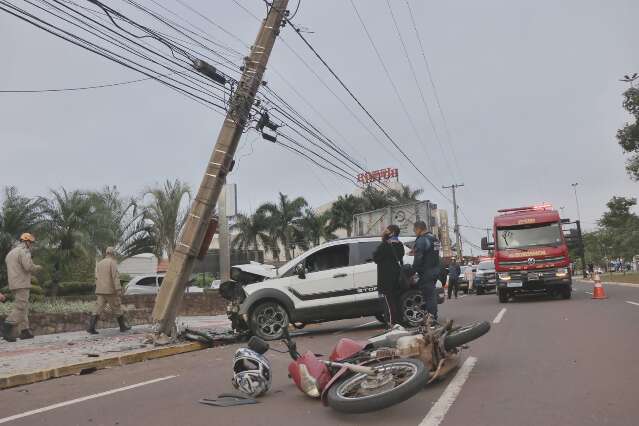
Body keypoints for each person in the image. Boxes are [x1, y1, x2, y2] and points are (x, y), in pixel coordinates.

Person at [3, 233, 42, 342]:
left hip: (13, 283)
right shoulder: (24, 251)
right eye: (31, 243)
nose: (32, 245)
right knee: (20, 307)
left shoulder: (10, 253)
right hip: (22, 283)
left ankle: (25, 331)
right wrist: (37, 268)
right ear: (27, 242)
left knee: (23, 307)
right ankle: (7, 327)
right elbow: (28, 266)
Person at [87, 247, 131, 334]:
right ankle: (122, 327)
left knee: (97, 308)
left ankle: (91, 328)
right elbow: (115, 277)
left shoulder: (100, 263)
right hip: (110, 290)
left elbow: (96, 277)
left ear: (106, 253)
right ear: (112, 253)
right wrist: (118, 289)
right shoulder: (112, 262)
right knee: (117, 307)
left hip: (100, 290)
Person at [373, 224, 405, 327]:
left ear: (391, 233)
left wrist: (383, 241)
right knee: (396, 302)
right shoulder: (400, 244)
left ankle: (392, 324)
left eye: (386, 230)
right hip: (397, 277)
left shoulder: (384, 245)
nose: (383, 232)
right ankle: (399, 323)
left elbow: (375, 257)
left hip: (386, 279)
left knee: (389, 304)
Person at [412, 220, 441, 320]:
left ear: (418, 229)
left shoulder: (422, 240)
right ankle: (432, 316)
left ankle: (432, 317)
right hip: (435, 271)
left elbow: (418, 258)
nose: (415, 232)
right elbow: (435, 255)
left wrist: (413, 270)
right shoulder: (435, 239)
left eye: (414, 230)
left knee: (429, 296)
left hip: (426, 272)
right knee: (431, 294)